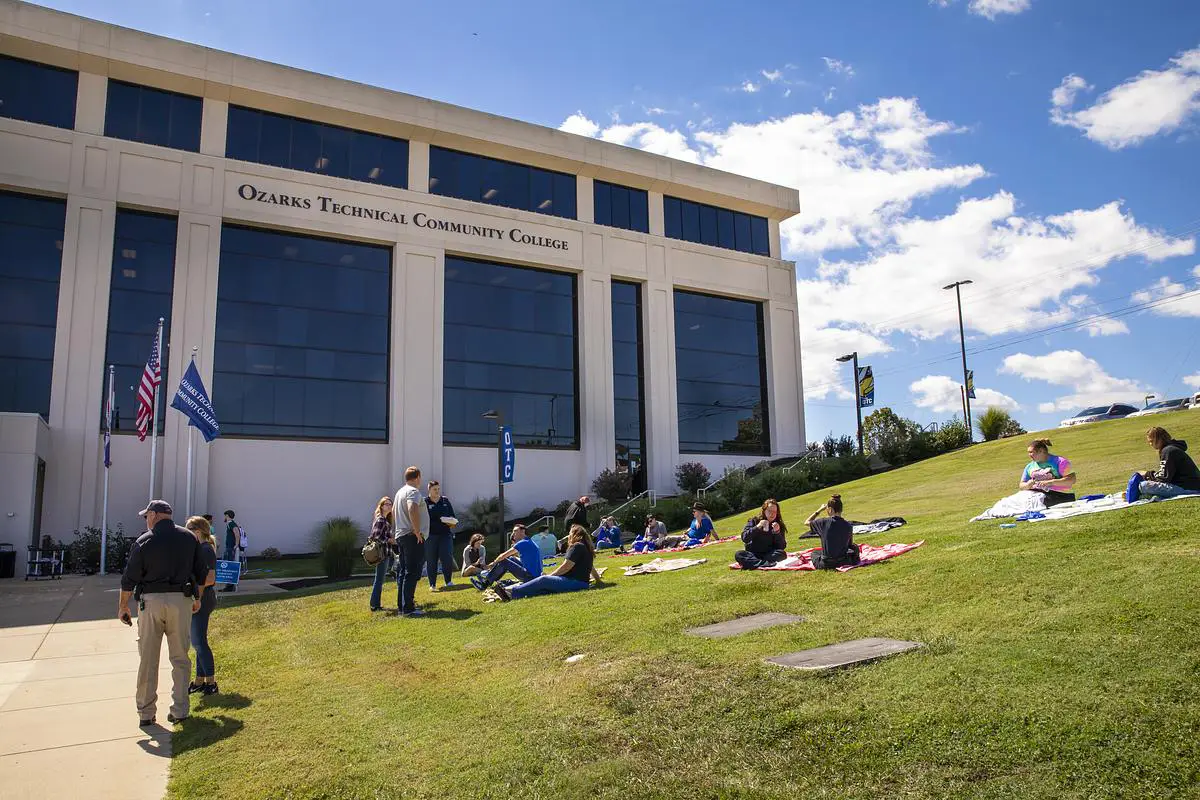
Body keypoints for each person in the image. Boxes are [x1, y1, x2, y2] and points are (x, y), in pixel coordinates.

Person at [118, 500, 210, 726]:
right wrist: (196, 598)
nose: (146, 520)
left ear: (154, 515)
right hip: (181, 600)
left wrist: (123, 606)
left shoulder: (144, 540)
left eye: (146, 516)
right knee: (180, 657)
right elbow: (201, 572)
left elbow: (129, 578)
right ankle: (180, 709)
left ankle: (146, 713)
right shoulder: (189, 538)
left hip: (151, 602)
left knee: (148, 658)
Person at [492, 524, 603, 602]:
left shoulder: (576, 546)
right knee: (545, 589)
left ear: (574, 534)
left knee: (543, 580)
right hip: (582, 584)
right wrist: (598, 580)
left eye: (570, 534)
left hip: (575, 582)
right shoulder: (586, 547)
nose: (568, 536)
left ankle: (511, 592)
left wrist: (550, 576)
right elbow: (591, 567)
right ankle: (518, 593)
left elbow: (565, 567)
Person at [184, 516, 219, 695]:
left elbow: (210, 578)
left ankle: (211, 682)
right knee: (197, 643)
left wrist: (197, 598)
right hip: (201, 598)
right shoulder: (201, 549)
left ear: (198, 532)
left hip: (203, 600)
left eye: (189, 530)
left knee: (199, 642)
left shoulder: (205, 550)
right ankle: (199, 680)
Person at [393, 466, 427, 617]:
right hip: (411, 536)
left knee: (404, 572)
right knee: (412, 572)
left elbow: (394, 512)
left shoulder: (399, 492)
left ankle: (402, 606)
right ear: (418, 477)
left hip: (401, 535)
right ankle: (409, 608)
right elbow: (412, 508)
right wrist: (417, 531)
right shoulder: (413, 491)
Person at [469, 523, 542, 591]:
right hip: (534, 576)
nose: (513, 534)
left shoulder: (523, 542)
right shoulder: (529, 541)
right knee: (511, 559)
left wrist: (492, 564)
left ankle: (485, 584)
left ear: (523, 531)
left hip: (530, 578)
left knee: (504, 561)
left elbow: (503, 556)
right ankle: (489, 578)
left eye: (515, 531)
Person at [1139, 426, 1200, 498]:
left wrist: (1147, 474)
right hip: (1192, 485)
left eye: (1152, 441)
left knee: (1143, 486)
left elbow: (1163, 478)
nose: (1150, 444)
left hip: (1187, 487)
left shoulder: (1168, 451)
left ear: (1160, 439)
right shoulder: (1171, 448)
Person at [804, 494, 860, 570]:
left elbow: (807, 522)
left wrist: (819, 510)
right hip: (844, 561)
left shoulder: (823, 522)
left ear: (830, 509)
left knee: (814, 553)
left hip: (827, 564)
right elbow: (849, 545)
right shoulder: (848, 526)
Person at [1019, 439, 1077, 507]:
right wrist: (1028, 485)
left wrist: (1050, 482)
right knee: (1011, 501)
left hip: (1058, 495)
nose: (1029, 455)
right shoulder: (1030, 466)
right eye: (1028, 452)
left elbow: (1072, 480)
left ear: (1041, 451)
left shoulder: (1060, 461)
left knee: (1031, 503)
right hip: (1034, 493)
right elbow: (1021, 485)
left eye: (1031, 452)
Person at [734, 499, 788, 570]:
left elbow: (782, 546)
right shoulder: (754, 521)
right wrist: (757, 527)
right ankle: (764, 563)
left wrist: (777, 532)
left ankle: (756, 563)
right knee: (739, 554)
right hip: (753, 553)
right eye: (769, 511)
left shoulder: (778, 525)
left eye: (774, 512)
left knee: (782, 554)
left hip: (768, 554)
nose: (772, 514)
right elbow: (745, 538)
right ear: (764, 511)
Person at [424, 480, 458, 590]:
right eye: (434, 489)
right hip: (430, 536)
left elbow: (452, 515)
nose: (437, 491)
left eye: (438, 489)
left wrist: (451, 522)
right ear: (429, 490)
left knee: (447, 557)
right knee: (431, 559)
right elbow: (423, 519)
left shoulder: (445, 501)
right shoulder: (425, 502)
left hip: (445, 534)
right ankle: (432, 584)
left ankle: (448, 581)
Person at [368, 496, 395, 612]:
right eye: (386, 504)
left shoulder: (386, 519)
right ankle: (374, 604)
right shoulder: (380, 520)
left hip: (387, 552)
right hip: (382, 553)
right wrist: (388, 540)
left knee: (392, 573)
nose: (389, 506)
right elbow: (375, 536)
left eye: (390, 504)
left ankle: (376, 603)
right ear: (382, 506)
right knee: (379, 579)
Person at [219, 509, 240, 592]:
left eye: (225, 515)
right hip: (229, 547)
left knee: (229, 566)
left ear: (227, 516)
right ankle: (228, 586)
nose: (224, 517)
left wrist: (236, 544)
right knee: (227, 565)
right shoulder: (229, 524)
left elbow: (237, 533)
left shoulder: (231, 524)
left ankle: (229, 586)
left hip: (230, 548)